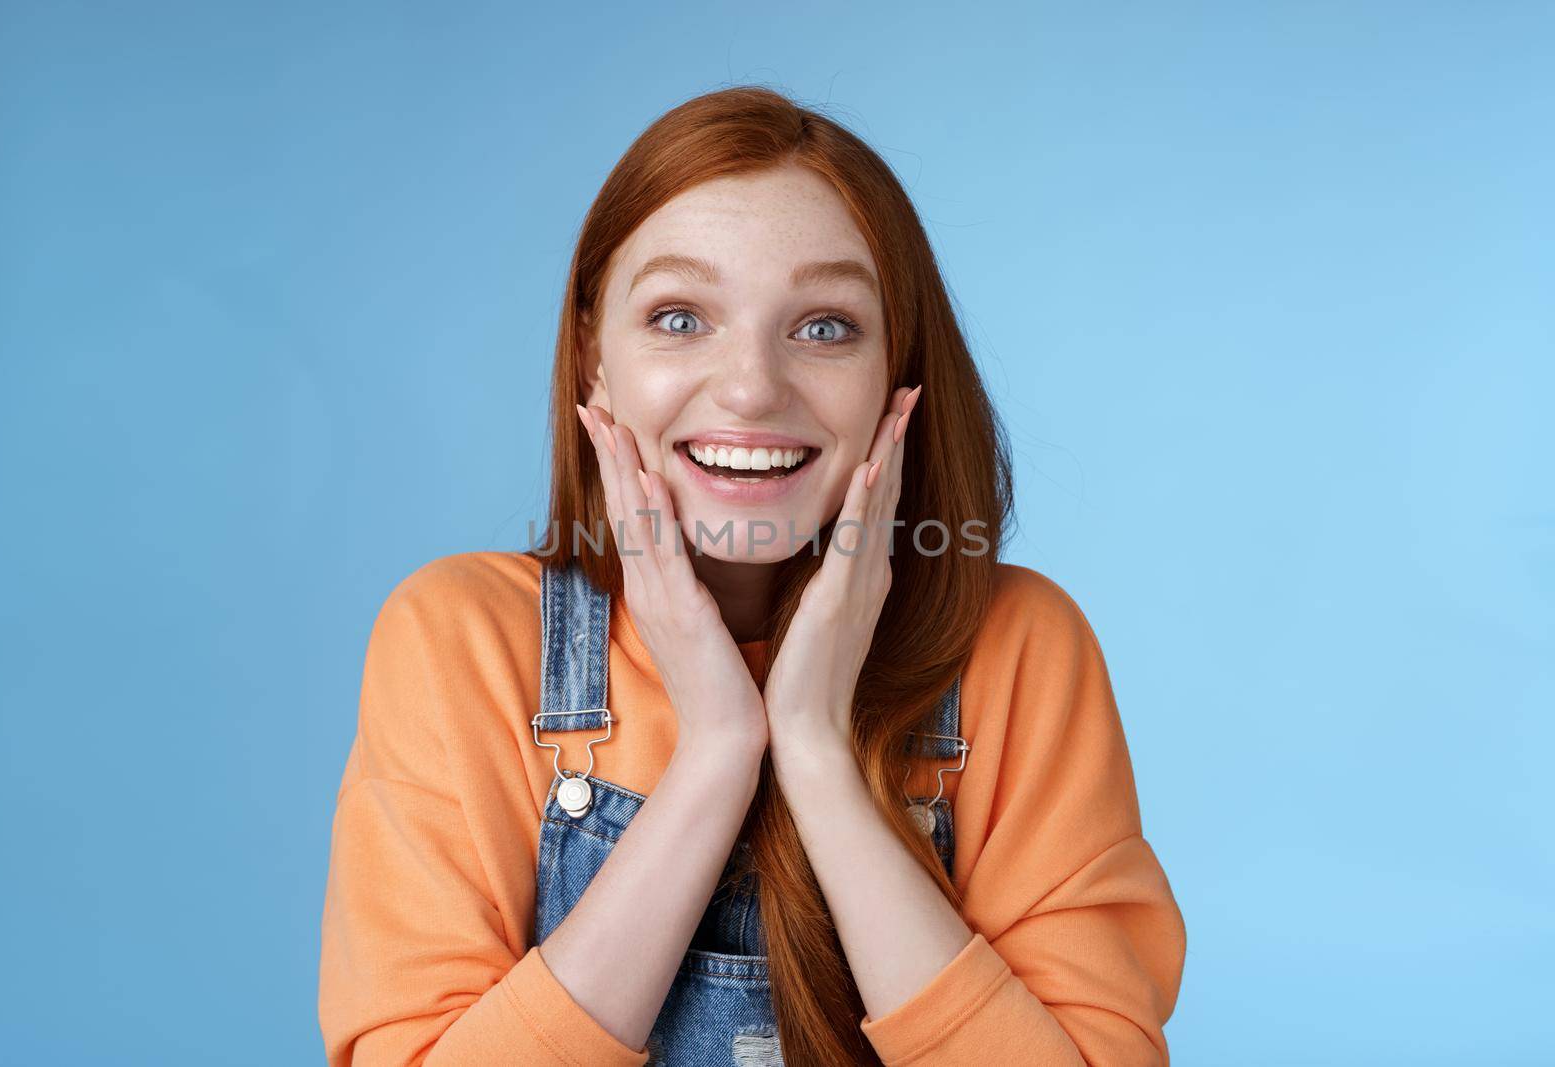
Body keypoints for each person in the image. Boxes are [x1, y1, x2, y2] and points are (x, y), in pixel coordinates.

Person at [318, 85, 1186, 1066]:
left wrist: (813, 746)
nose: (750, 387)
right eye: (680, 316)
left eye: (823, 326)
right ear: (591, 357)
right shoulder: (462, 638)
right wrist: (719, 750)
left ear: (899, 373)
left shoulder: (1017, 648)